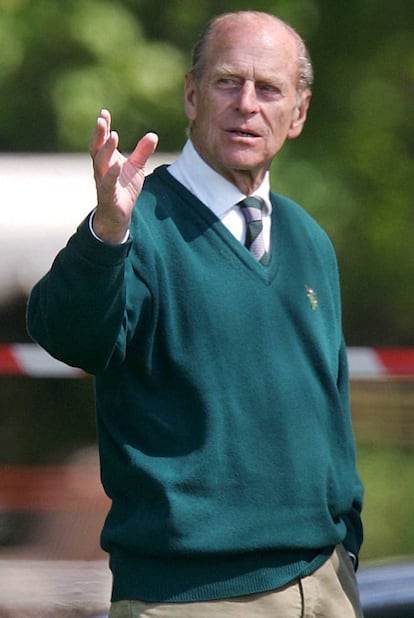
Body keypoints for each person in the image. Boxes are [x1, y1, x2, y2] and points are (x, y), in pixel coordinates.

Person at [27, 10, 364, 618]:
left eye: (269, 89)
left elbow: (332, 413)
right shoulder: (138, 223)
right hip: (188, 598)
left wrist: (347, 554)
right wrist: (106, 231)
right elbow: (67, 334)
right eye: (227, 82)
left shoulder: (310, 239)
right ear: (191, 94)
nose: (246, 104)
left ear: (299, 112)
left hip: (324, 586)